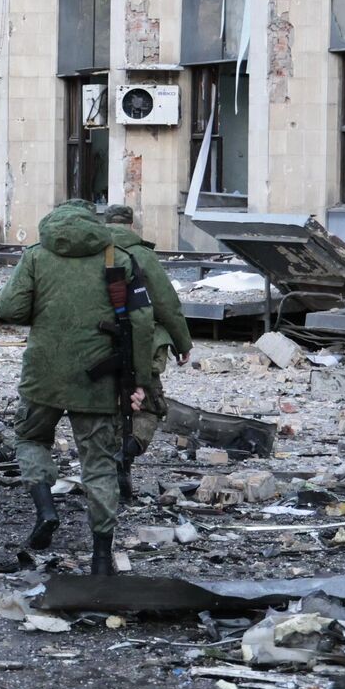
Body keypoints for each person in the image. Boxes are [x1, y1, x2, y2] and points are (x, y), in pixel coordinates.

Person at [0, 199, 154, 575]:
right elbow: (143, 322)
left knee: (31, 439)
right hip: (98, 380)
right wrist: (141, 380)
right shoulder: (118, 258)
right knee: (98, 464)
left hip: (42, 376)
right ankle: (101, 557)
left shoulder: (36, 255)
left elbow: (10, 309)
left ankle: (46, 509)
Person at [102, 205, 192, 502]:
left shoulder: (93, 253)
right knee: (150, 405)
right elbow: (166, 303)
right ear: (131, 225)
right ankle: (124, 457)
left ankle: (112, 473)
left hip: (99, 345)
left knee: (112, 406)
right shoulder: (142, 254)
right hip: (144, 344)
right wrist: (183, 344)